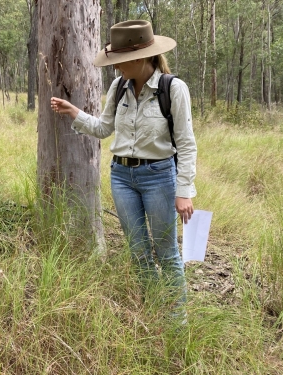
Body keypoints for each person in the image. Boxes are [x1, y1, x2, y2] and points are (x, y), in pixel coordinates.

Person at [51, 20, 196, 322]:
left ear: (141, 57)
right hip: (121, 178)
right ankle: (155, 310)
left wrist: (184, 191)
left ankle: (177, 322)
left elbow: (186, 143)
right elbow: (105, 128)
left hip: (159, 177)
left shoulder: (173, 89)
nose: (115, 68)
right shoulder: (119, 88)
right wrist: (73, 112)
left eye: (120, 61)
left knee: (166, 251)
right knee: (139, 250)